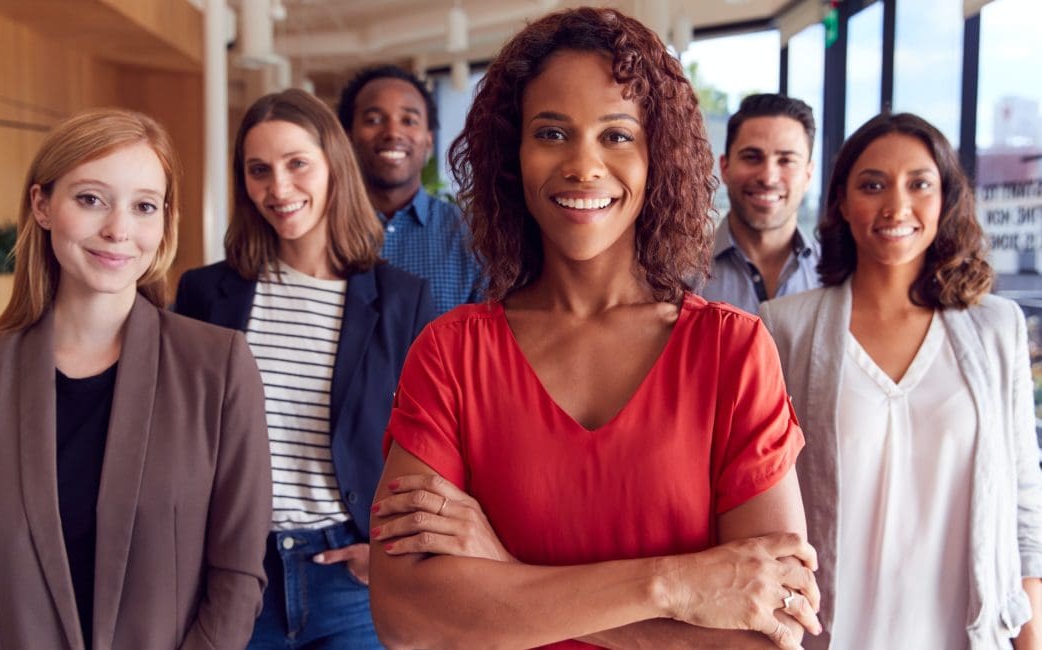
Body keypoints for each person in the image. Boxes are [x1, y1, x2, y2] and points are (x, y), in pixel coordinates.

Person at [367, 8, 822, 649]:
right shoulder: (450, 355)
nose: (583, 165)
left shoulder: (731, 351)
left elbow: (767, 637)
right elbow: (407, 616)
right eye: (551, 133)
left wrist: (507, 577)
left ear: (656, 155)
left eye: (616, 135)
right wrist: (671, 587)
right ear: (512, 156)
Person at [0, 108, 272, 649]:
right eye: (91, 199)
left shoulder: (218, 365)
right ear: (42, 206)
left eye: (143, 206)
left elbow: (236, 574)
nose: (118, 229)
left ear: (165, 222)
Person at [759, 112, 1042, 649]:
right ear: (841, 201)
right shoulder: (785, 328)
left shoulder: (997, 328)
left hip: (964, 635)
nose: (896, 206)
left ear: (945, 199)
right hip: (831, 636)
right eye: (873, 185)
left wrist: (1031, 642)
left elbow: (1025, 501)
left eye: (919, 184)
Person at [174, 88, 432, 649]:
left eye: (297, 164)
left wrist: (387, 554)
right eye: (259, 170)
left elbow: (427, 446)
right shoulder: (204, 294)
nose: (279, 189)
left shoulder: (400, 299)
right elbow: (180, 438)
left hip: (350, 578)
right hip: (236, 574)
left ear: (333, 165)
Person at [337, 65, 481, 316]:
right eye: (374, 120)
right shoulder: (321, 230)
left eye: (409, 120)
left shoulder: (472, 236)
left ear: (428, 139)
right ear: (347, 136)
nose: (392, 132)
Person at [700, 93, 819, 314]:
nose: (768, 177)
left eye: (786, 160)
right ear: (725, 168)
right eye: (752, 157)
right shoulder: (680, 276)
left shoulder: (835, 276)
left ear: (808, 175)